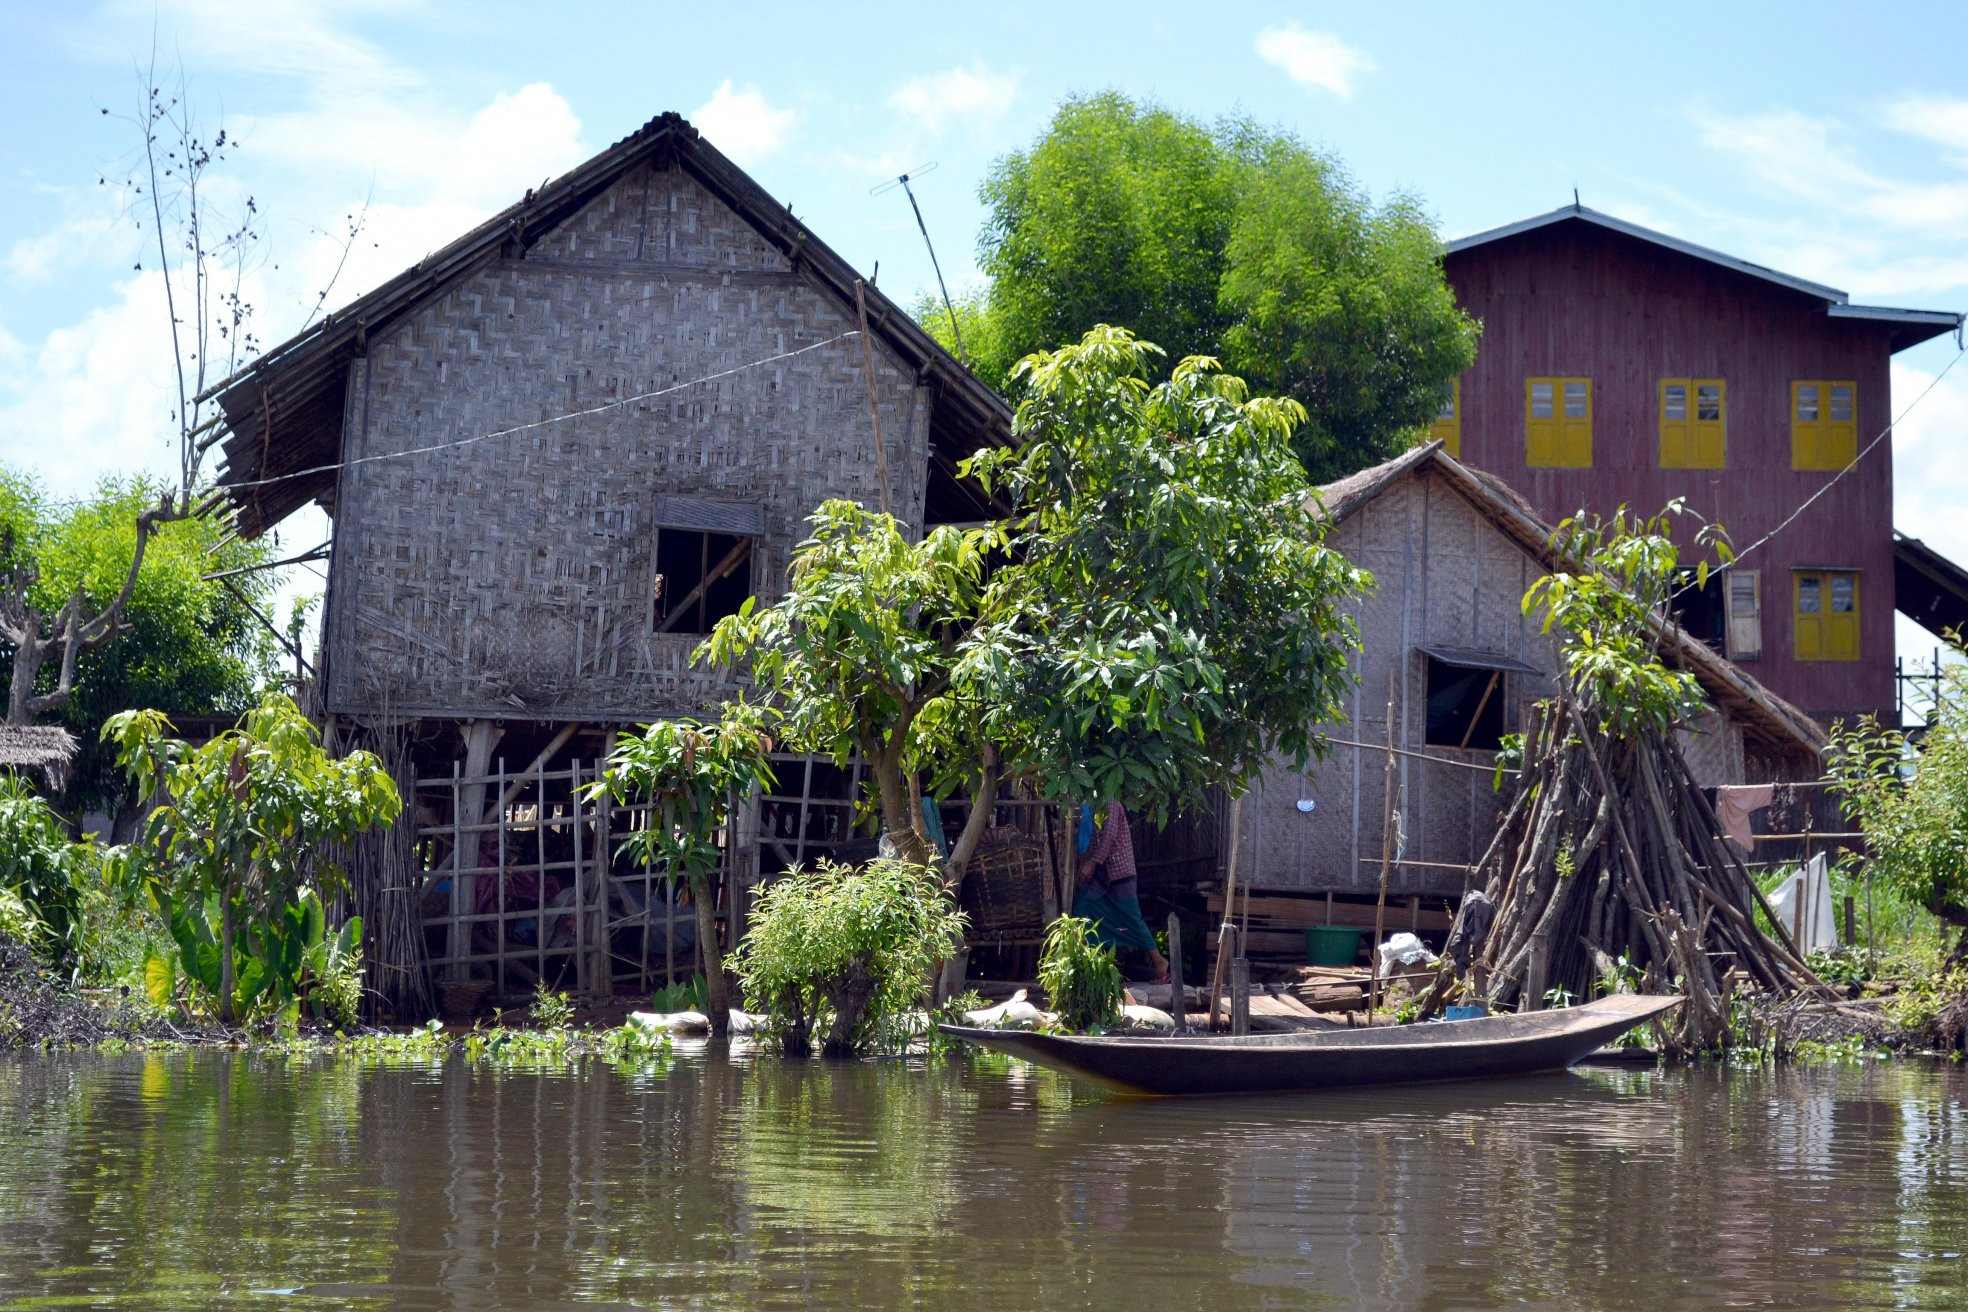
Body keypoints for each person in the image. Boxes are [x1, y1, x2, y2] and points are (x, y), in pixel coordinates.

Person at [1071, 801, 1170, 983]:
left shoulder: (1111, 803)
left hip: (1119, 872)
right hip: (1101, 876)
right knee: (1083, 907)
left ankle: (1159, 961)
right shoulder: (1096, 804)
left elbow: (1108, 838)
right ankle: (1088, 962)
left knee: (1131, 919)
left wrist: (1090, 864)